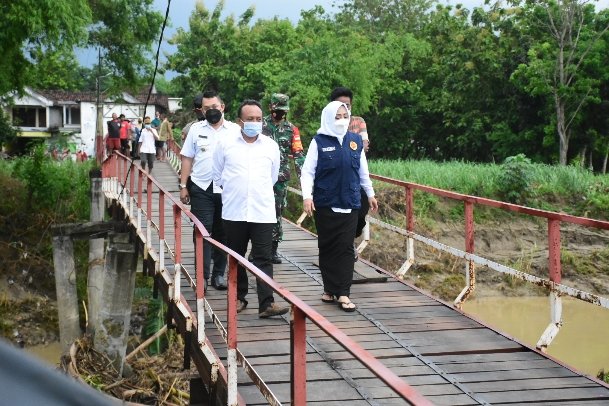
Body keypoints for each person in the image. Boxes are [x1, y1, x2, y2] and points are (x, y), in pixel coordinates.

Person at [212, 99, 289, 318]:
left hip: (262, 211)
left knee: (263, 258)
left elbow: (273, 177)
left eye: (258, 119)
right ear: (239, 121)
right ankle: (238, 297)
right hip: (234, 211)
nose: (254, 123)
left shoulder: (270, 146)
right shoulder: (225, 144)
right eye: (249, 119)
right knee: (236, 256)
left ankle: (267, 303)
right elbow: (218, 175)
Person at [300, 101, 378, 312]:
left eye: (345, 116)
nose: (342, 120)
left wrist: (370, 194)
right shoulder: (319, 141)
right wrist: (307, 197)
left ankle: (343, 293)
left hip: (350, 202)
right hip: (326, 203)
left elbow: (363, 171)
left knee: (345, 248)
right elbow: (307, 171)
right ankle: (329, 288)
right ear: (328, 118)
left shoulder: (355, 141)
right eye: (337, 116)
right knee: (327, 246)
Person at [180, 91, 234, 291]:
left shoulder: (235, 130)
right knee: (202, 231)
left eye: (215, 107)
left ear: (222, 107)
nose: (212, 111)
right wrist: (183, 186)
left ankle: (219, 274)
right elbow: (187, 157)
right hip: (201, 187)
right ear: (201, 110)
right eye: (207, 108)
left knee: (223, 233)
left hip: (228, 189)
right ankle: (201, 276)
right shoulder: (195, 129)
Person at [262, 93, 305, 264]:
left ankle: (273, 249)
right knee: (258, 212)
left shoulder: (291, 129)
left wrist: (304, 180)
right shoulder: (260, 125)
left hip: (280, 179)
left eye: (283, 111)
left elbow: (298, 154)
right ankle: (258, 248)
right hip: (260, 176)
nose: (280, 114)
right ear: (271, 108)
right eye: (277, 110)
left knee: (277, 212)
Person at [330, 87, 371, 258]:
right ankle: (345, 246)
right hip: (335, 177)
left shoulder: (358, 121)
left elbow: (365, 145)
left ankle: (351, 237)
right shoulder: (329, 121)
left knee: (361, 209)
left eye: (347, 105)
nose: (344, 109)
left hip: (355, 174)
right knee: (340, 212)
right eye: (341, 105)